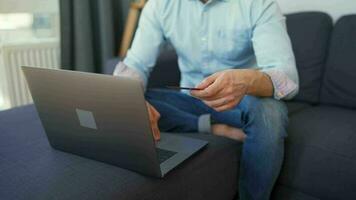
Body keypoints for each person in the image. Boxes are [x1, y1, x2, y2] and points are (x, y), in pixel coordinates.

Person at [114, 0, 299, 199]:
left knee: (271, 114)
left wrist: (247, 81)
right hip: (190, 100)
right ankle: (212, 127)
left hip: (243, 101)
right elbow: (136, 65)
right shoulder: (161, 5)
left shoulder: (258, 4)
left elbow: (287, 80)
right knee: (128, 99)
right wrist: (132, 100)